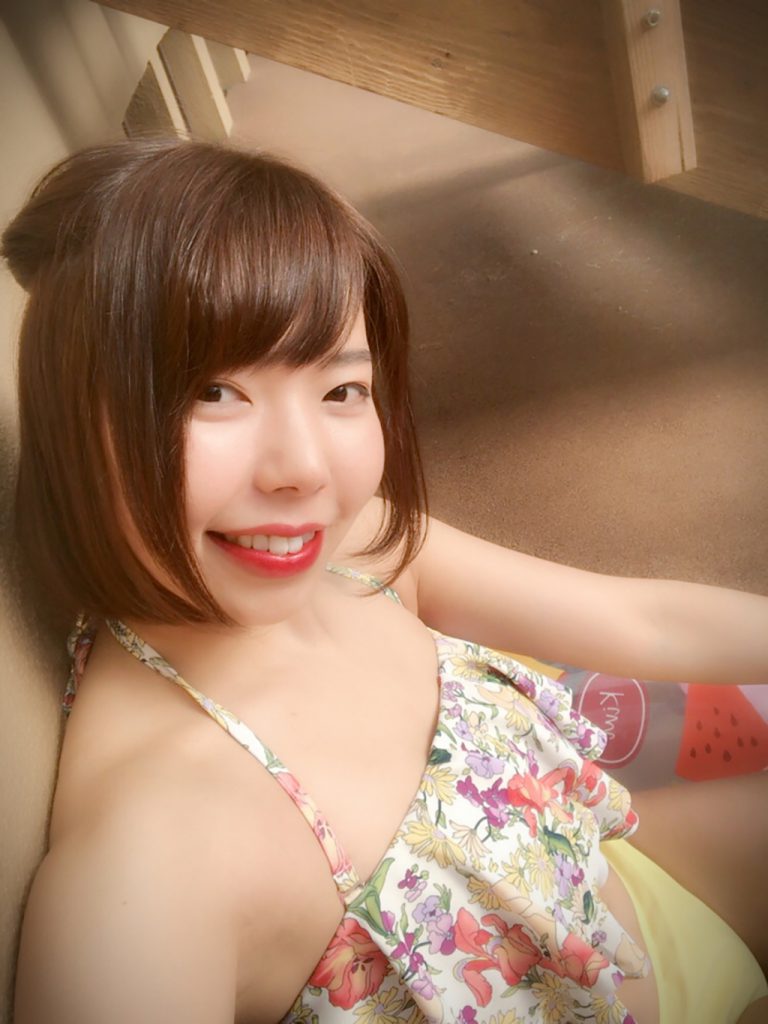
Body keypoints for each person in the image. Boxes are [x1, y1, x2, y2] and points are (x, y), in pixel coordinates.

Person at [3, 137, 767, 1024]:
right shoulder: (148, 869)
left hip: (643, 886)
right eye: (213, 392)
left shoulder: (354, 549)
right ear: (73, 422)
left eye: (341, 390)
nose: (303, 470)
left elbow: (642, 622)